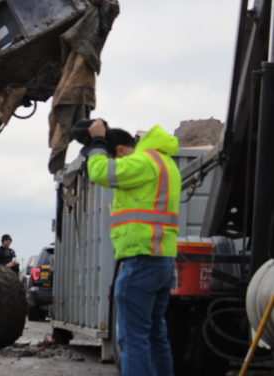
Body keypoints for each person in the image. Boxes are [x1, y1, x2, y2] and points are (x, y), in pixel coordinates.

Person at [86, 119, 180, 376]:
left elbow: (101, 173)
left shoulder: (143, 161)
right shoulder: (166, 163)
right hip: (162, 260)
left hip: (140, 260)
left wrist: (96, 143)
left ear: (119, 151)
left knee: (132, 338)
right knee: (155, 335)